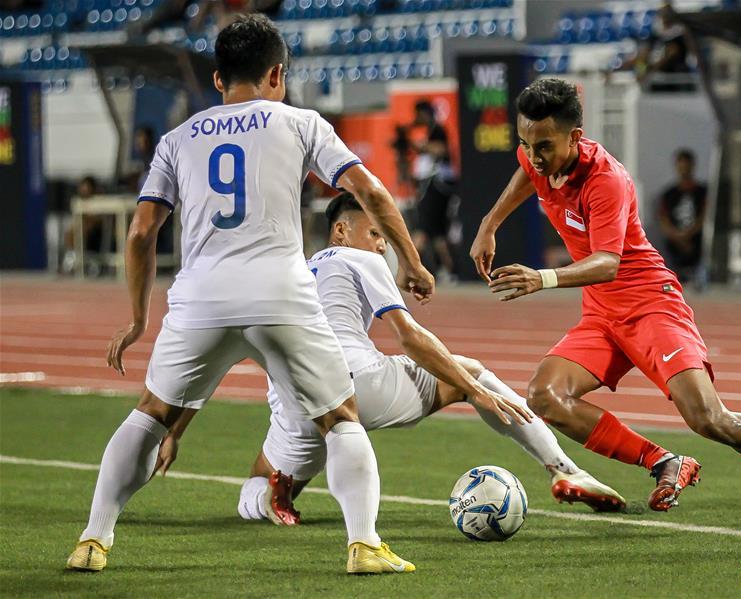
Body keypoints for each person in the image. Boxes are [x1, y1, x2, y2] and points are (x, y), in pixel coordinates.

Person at [65, 14, 471, 576]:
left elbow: (140, 233)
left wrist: (137, 319)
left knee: (152, 413)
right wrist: (414, 261)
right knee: (340, 418)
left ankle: (93, 538)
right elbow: (369, 190)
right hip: (280, 292)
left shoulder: (176, 139)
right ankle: (364, 546)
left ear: (216, 80)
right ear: (277, 73)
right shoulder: (300, 123)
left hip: (202, 296)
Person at [469, 78, 741, 529]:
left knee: (708, 418)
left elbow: (608, 263)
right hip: (601, 314)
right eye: (525, 143)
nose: (533, 156)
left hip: (650, 305)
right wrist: (489, 224)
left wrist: (541, 278)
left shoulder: (606, 180)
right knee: (545, 396)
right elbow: (525, 176)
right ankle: (664, 462)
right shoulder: (539, 157)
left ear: (575, 137)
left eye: (543, 146)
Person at [151, 192, 622, 522]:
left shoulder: (287, 273)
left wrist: (174, 432)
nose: (381, 245)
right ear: (341, 229)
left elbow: (213, 361)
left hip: (297, 408)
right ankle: (565, 471)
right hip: (356, 386)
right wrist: (472, 387)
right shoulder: (360, 259)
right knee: (471, 373)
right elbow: (410, 337)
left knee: (256, 483)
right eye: (375, 233)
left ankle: (271, 498)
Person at [410, 99, 457, 281]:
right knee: (437, 233)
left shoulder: (437, 130)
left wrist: (421, 146)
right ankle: (449, 269)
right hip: (430, 184)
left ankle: (412, 270)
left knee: (423, 229)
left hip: (436, 185)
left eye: (420, 114)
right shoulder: (428, 132)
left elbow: (441, 150)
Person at [658, 148, 706, 281]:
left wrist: (689, 234)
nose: (684, 169)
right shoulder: (668, 194)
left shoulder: (703, 191)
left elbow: (705, 216)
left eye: (687, 166)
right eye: (681, 166)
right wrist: (677, 237)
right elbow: (663, 219)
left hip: (697, 239)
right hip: (674, 242)